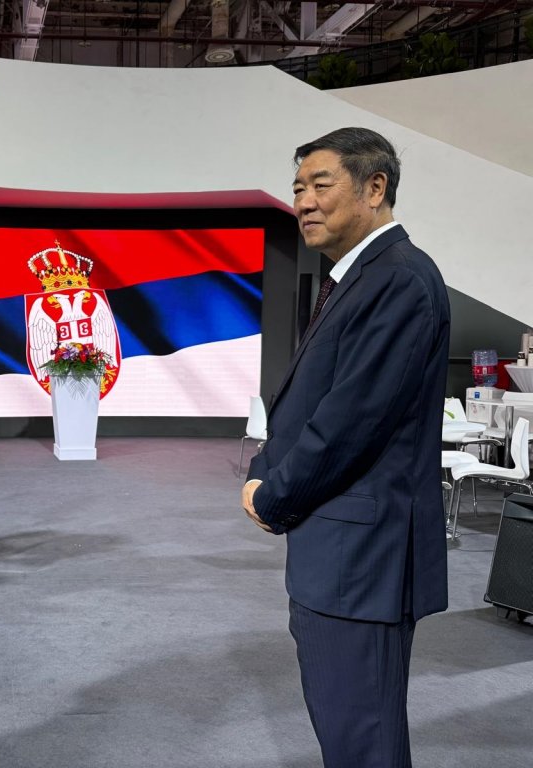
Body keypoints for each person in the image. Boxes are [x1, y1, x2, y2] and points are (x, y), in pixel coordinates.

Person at [241, 127, 449, 767]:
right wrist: (263, 465)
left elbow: (350, 423)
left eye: (320, 184)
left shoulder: (399, 280)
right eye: (297, 187)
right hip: (338, 556)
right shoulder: (361, 278)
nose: (303, 201)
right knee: (348, 735)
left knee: (363, 743)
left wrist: (272, 495)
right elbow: (311, 401)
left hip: (362, 562)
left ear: (374, 187)